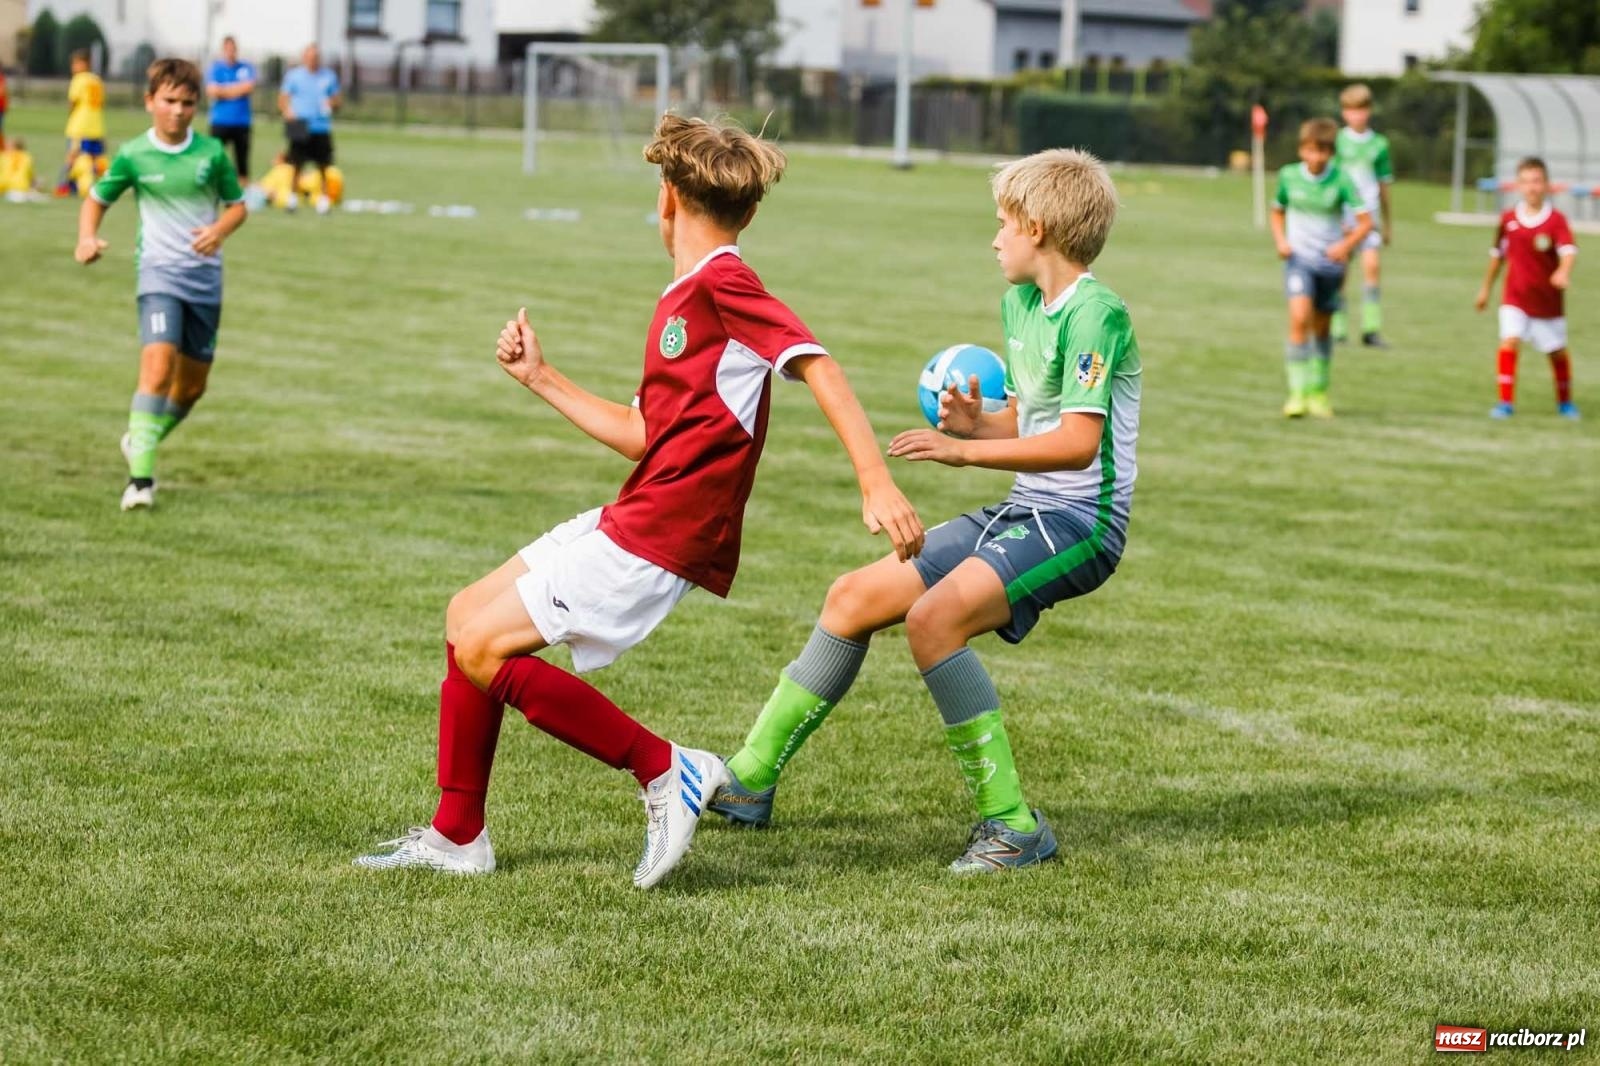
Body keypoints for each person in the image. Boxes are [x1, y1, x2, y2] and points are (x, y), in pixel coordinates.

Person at [353, 114, 924, 888]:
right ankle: (458, 835)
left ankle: (666, 769)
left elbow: (817, 365)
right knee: (466, 622)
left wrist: (875, 480)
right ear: (748, 209)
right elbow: (642, 433)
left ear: (665, 199)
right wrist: (541, 379)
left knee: (487, 649)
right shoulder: (686, 296)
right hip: (639, 509)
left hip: (664, 533)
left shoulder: (726, 284)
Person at [706, 148, 1140, 875]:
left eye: (1003, 223)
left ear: (1037, 227)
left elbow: (1076, 443)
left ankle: (1013, 826)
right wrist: (977, 425)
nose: (994, 238)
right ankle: (749, 780)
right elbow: (1034, 430)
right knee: (852, 597)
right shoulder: (1021, 305)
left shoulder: (1097, 315)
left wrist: (963, 453)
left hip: (1080, 526)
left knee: (933, 620)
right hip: (1025, 508)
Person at [75, 59, 248, 511]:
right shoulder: (134, 154)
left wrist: (220, 230)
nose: (178, 111)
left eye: (188, 103)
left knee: (190, 389)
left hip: (205, 283)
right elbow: (96, 199)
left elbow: (237, 206)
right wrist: (86, 237)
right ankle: (140, 481)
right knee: (156, 368)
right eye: (169, 101)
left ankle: (141, 437)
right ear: (149, 101)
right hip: (157, 274)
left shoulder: (210, 154)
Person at [1270, 118, 1371, 418]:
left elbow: (1366, 223)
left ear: (1331, 154)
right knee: (1299, 319)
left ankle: (1319, 392)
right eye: (1311, 151)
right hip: (1299, 260)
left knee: (1323, 327)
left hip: (1330, 264)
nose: (1316, 158)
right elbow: (1277, 211)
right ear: (1302, 150)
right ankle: (1297, 395)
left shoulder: (1341, 180)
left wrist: (1344, 246)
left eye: (1323, 152)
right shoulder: (1289, 176)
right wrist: (1281, 241)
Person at [1475, 157, 1579, 420]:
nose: (1532, 187)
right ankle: (1505, 403)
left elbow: (1567, 251)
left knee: (1556, 352)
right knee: (1509, 341)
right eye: (1526, 182)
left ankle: (1565, 403)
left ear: (1546, 185)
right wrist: (1485, 289)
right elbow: (1497, 255)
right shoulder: (1508, 219)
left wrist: (1563, 271)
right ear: (1518, 186)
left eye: (1537, 181)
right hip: (1515, 297)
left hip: (1547, 302)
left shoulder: (1556, 221)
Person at [1331, 84, 1394, 348]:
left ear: (1369, 111)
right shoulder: (1337, 141)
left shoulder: (1379, 144)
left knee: (1372, 269)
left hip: (1370, 217)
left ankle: (1371, 329)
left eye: (1362, 110)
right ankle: (1338, 328)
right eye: (1352, 110)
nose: (1358, 115)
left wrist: (1388, 222)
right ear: (1345, 113)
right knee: (1341, 273)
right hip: (1344, 215)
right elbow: (1331, 180)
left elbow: (1384, 186)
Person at [277, 44, 340, 214]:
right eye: (310, 57)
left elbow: (337, 101)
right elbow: (283, 99)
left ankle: (324, 200)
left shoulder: (328, 76)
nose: (313, 60)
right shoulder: (294, 76)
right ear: (304, 58)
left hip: (320, 125)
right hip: (299, 124)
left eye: (316, 57)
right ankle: (292, 198)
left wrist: (330, 104)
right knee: (296, 164)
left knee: (324, 165)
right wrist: (288, 112)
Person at [57, 50, 107, 198]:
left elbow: (72, 102)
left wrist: (70, 114)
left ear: (85, 63)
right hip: (96, 125)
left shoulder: (79, 79)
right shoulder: (97, 80)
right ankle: (96, 187)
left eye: (75, 63)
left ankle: (65, 185)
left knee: (73, 156)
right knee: (93, 159)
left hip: (80, 125)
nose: (73, 67)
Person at [206, 35, 257, 179]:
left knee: (242, 161)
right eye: (227, 49)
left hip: (242, 121)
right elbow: (212, 91)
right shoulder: (216, 68)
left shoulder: (246, 68)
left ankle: (243, 193)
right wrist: (237, 90)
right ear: (223, 50)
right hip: (219, 121)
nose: (230, 52)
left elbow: (249, 87)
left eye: (233, 49)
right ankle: (214, 189)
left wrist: (224, 90)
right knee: (215, 158)